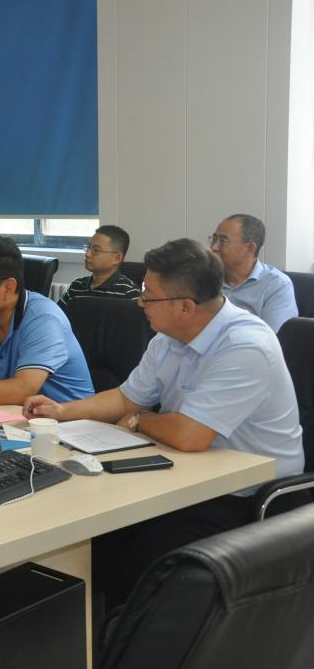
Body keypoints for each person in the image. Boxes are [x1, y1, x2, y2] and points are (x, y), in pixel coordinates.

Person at [24, 238, 305, 609]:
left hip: (247, 496)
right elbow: (125, 398)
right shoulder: (169, 338)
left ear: (185, 306)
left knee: (139, 556)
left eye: (149, 295)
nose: (140, 302)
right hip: (187, 475)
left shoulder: (245, 344)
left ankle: (132, 630)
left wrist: (140, 420)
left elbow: (189, 435)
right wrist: (62, 411)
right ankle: (97, 627)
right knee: (95, 536)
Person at [0, 235, 93, 404]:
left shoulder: (44, 318)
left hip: (69, 418)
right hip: (8, 415)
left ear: (8, 287)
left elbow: (23, 390)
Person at [209, 213, 297, 332]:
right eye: (214, 239)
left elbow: (272, 337)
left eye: (223, 241)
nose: (213, 247)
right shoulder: (206, 277)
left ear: (249, 248)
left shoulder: (277, 285)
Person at [57, 225, 140, 311]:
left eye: (96, 250)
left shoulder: (129, 293)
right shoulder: (76, 286)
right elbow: (57, 316)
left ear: (117, 258)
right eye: (89, 247)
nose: (87, 254)